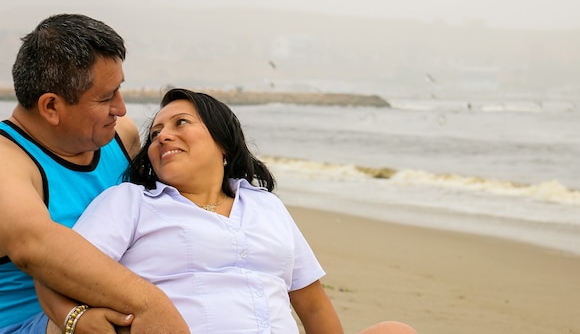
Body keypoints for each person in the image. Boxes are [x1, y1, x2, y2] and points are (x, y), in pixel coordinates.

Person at [38, 88, 417, 334]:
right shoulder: (129, 202)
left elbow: (312, 305)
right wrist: (76, 320)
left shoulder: (266, 206)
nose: (163, 136)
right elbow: (58, 271)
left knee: (395, 331)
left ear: (223, 142)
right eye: (154, 134)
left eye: (181, 123)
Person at [0, 14, 189, 334]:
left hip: (110, 298)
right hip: (29, 324)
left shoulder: (122, 136)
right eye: (105, 98)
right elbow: (34, 245)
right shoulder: (9, 161)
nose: (122, 108)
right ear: (51, 107)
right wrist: (151, 304)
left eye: (119, 89)